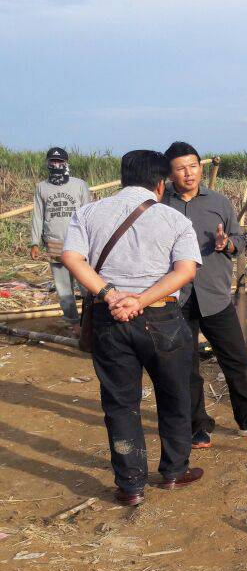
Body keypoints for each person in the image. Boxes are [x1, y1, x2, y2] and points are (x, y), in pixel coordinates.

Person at [61, 150, 205, 506]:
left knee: (121, 404)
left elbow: (71, 258)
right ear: (161, 183)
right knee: (174, 396)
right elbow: (185, 271)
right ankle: (174, 472)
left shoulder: (88, 212)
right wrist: (140, 300)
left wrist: (110, 295)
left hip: (109, 318)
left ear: (123, 178)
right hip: (161, 319)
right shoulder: (174, 220)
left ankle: (131, 485)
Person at [161, 142, 247, 447]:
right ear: (170, 173)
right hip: (177, 300)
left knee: (238, 361)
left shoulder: (219, 202)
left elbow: (240, 240)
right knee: (186, 367)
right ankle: (196, 425)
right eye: (181, 168)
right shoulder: (161, 206)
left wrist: (226, 244)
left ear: (200, 168)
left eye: (193, 166)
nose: (189, 173)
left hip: (215, 297)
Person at [29, 147, 92, 325]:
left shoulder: (79, 185)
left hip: (79, 243)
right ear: (48, 163)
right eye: (52, 161)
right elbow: (38, 215)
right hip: (55, 243)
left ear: (66, 163)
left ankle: (90, 320)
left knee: (86, 285)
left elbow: (89, 213)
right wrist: (34, 242)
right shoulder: (41, 187)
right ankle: (72, 321)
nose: (56, 165)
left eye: (60, 162)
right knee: (64, 289)